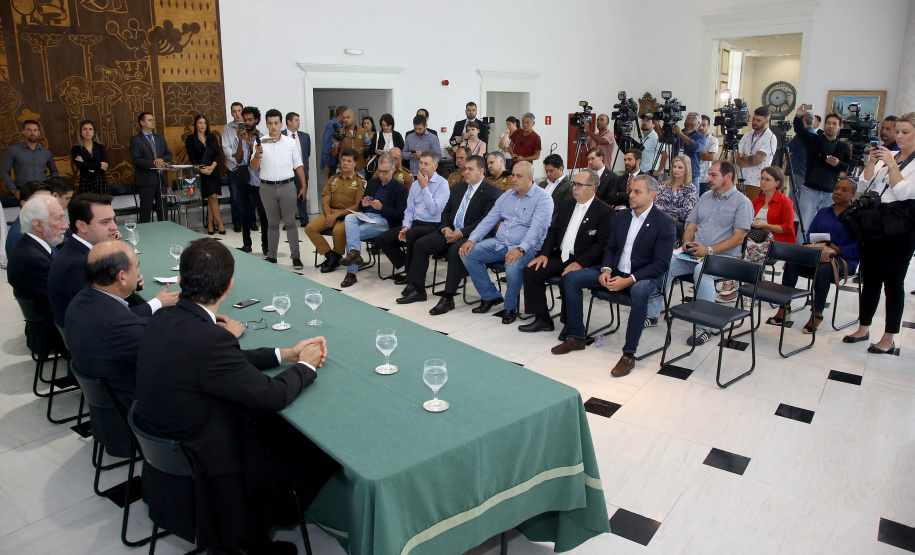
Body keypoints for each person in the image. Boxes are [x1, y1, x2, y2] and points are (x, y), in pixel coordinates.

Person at [133, 238, 337, 553]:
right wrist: (307, 367)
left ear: (181, 280)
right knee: (317, 450)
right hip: (210, 459)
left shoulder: (163, 319)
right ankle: (258, 530)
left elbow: (224, 363)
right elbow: (272, 395)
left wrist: (286, 353)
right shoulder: (209, 339)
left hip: (170, 444)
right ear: (229, 286)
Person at [557, 175, 677, 377]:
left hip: (642, 277)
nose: (631, 195)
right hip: (615, 272)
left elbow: (661, 264)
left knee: (639, 291)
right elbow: (611, 248)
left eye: (638, 192)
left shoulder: (665, 223)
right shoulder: (621, 216)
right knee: (571, 278)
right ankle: (576, 336)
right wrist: (606, 269)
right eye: (631, 190)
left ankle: (628, 354)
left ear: (652, 195)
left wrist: (630, 279)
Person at [645, 160, 753, 346]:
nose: (708, 178)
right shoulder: (705, 197)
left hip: (723, 259)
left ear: (728, 177)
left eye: (713, 175)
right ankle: (652, 314)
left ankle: (705, 327)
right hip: (696, 253)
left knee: (702, 271)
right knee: (665, 261)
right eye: (709, 175)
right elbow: (691, 225)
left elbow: (738, 239)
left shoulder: (742, 203)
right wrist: (687, 243)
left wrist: (709, 250)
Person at [64, 240, 169, 410]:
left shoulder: (79, 303)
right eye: (136, 267)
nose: (138, 272)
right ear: (121, 277)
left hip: (106, 413)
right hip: (134, 410)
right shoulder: (118, 325)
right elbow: (167, 349)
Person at [843, 112, 915, 354]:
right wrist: (873, 162)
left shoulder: (899, 160)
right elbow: (865, 185)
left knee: (893, 283)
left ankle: (889, 336)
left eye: (905, 132)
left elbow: (904, 192)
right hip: (875, 223)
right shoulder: (890, 155)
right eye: (898, 131)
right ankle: (863, 328)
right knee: (870, 279)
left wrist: (892, 164)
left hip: (901, 227)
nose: (899, 136)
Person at [48, 193, 177, 327]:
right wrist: (157, 303)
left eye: (113, 220)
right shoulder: (77, 264)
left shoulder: (79, 250)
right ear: (82, 226)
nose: (114, 227)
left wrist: (126, 287)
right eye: (105, 222)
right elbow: (108, 319)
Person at [398, 155, 501, 307]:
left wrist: (462, 233)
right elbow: (445, 212)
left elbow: (485, 221)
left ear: (481, 171)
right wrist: (446, 228)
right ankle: (418, 289)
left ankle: (448, 297)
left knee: (455, 251)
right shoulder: (459, 187)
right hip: (451, 231)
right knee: (421, 244)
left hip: (474, 235)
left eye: (470, 169)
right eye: (465, 169)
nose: (465, 172)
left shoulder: (492, 192)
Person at [518, 169, 614, 333]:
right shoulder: (567, 204)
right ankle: (542, 318)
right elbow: (553, 231)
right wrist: (544, 254)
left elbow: (601, 244)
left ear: (592, 188)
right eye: (573, 184)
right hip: (562, 256)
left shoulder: (605, 212)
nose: (574, 188)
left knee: (568, 279)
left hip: (585, 259)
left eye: (579, 185)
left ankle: (569, 324)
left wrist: (580, 263)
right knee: (531, 270)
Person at [459, 161, 553, 323]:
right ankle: (490, 296)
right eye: (513, 175)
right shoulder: (507, 196)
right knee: (468, 254)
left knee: (513, 265)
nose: (513, 179)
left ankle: (510, 307)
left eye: (519, 176)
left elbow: (537, 230)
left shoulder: (543, 199)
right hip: (501, 243)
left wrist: (521, 249)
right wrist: (472, 239)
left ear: (531, 178)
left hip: (529, 248)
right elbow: (489, 220)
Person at [768, 178, 858, 334]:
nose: (838, 192)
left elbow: (861, 244)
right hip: (820, 254)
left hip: (844, 260)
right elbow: (810, 234)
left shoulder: (857, 215)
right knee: (792, 262)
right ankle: (785, 306)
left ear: (853, 194)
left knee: (823, 269)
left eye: (844, 190)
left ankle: (817, 313)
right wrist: (820, 244)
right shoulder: (824, 212)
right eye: (836, 188)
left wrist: (840, 250)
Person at [373, 150, 450, 283]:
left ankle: (411, 274)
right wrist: (405, 226)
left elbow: (434, 211)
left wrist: (425, 187)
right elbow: (409, 210)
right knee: (383, 238)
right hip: (414, 223)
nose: (422, 166)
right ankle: (410, 266)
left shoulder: (442, 184)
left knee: (412, 234)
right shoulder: (415, 184)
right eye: (421, 163)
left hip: (433, 225)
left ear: (435, 166)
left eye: (427, 164)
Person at [337, 155, 408, 287]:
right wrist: (363, 204)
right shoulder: (373, 182)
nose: (381, 174)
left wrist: (382, 208)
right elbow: (361, 204)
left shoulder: (400, 189)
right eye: (379, 170)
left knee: (352, 234)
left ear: (393, 170)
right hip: (368, 216)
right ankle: (354, 254)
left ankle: (351, 273)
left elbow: (400, 214)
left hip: (384, 221)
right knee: (349, 217)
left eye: (385, 171)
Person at [7, 196, 70, 346]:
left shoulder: (32, 247)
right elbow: (58, 304)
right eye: (59, 218)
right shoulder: (32, 259)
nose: (65, 225)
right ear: (38, 224)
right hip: (53, 333)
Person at [256, 109, 307, 269]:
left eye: (276, 123)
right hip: (267, 187)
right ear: (266, 124)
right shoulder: (260, 141)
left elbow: (298, 164)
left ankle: (296, 257)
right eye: (270, 123)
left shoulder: (290, 142)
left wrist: (304, 185)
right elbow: (254, 166)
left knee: (290, 222)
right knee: (272, 223)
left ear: (281, 124)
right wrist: (257, 154)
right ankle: (272, 256)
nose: (273, 126)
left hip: (287, 186)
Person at [792, 107, 851, 243]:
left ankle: (822, 253)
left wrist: (838, 164)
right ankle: (800, 253)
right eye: (828, 123)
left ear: (840, 126)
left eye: (834, 124)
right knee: (804, 224)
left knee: (826, 225)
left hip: (830, 191)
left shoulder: (844, 147)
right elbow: (800, 131)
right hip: (810, 188)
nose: (831, 126)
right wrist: (798, 117)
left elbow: (850, 168)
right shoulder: (814, 139)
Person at [305, 148, 365, 273]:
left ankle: (336, 255)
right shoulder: (333, 179)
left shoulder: (360, 181)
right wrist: (328, 215)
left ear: (355, 163)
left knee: (337, 231)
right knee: (310, 228)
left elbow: (358, 206)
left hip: (348, 215)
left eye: (349, 161)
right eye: (343, 160)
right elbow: (325, 200)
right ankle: (331, 256)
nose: (345, 163)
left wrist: (337, 216)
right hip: (331, 212)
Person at [129, 112, 173, 223]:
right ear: (142, 122)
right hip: (146, 180)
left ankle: (164, 232)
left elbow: (168, 154)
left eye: (153, 119)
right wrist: (154, 163)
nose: (153, 121)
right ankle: (145, 235)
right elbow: (137, 160)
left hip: (161, 179)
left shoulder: (160, 138)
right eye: (149, 120)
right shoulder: (136, 140)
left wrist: (162, 160)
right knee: (146, 210)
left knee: (162, 210)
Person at [236, 106, 268, 256]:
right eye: (245, 119)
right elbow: (238, 159)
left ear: (256, 120)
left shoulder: (262, 138)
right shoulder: (241, 136)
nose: (247, 122)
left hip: (258, 181)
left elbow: (260, 158)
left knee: (263, 214)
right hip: (243, 179)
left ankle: (266, 246)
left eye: (250, 119)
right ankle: (246, 244)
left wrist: (250, 143)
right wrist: (240, 140)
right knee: (244, 213)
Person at [185, 114, 225, 235]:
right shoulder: (191, 139)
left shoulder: (212, 137)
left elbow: (217, 154)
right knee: (211, 196)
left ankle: (210, 224)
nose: (202, 125)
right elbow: (193, 157)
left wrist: (212, 167)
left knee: (211, 198)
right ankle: (220, 223)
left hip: (213, 171)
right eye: (200, 123)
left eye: (204, 123)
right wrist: (202, 170)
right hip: (201, 172)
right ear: (196, 124)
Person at [1, 120, 58, 197]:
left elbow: (54, 170)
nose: (32, 133)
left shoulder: (46, 152)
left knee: (43, 209)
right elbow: (4, 171)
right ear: (23, 132)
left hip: (43, 191)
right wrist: (14, 190)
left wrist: (53, 187)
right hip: (23, 191)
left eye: (35, 130)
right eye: (29, 130)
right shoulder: (13, 150)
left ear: (39, 133)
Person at [222, 102, 252, 232]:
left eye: (239, 111)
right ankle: (237, 222)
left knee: (250, 196)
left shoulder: (248, 126)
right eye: (234, 111)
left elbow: (252, 145)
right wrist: (237, 159)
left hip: (248, 167)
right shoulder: (227, 128)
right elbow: (226, 148)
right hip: (233, 167)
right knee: (235, 196)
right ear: (231, 113)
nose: (237, 113)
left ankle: (251, 221)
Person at [736, 107, 777, 199]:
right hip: (741, 180)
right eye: (754, 119)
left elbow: (755, 160)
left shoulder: (770, 138)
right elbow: (734, 159)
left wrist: (742, 156)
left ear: (766, 121)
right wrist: (749, 159)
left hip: (757, 183)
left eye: (759, 120)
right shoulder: (747, 136)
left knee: (752, 211)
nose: (754, 122)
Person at [657, 112, 706, 185]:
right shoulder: (677, 132)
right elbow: (663, 139)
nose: (689, 117)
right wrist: (657, 124)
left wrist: (681, 134)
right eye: (688, 116)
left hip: (691, 174)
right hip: (676, 173)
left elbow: (695, 147)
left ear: (698, 122)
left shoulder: (700, 136)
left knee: (691, 196)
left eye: (693, 116)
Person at [5, 180, 51, 258]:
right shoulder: (20, 235)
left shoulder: (38, 226)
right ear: (24, 204)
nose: (49, 206)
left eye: (50, 201)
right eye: (41, 201)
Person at [655, 154, 697, 239]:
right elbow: (656, 205)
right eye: (674, 167)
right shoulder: (664, 185)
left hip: (677, 224)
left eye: (680, 167)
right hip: (660, 219)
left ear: (686, 169)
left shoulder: (690, 188)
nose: (676, 170)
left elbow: (687, 211)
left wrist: (665, 209)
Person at [751, 166, 796, 244]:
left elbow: (787, 228)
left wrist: (766, 226)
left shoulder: (785, 201)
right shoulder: (756, 201)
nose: (762, 182)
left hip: (776, 242)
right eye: (761, 178)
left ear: (777, 183)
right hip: (756, 238)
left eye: (767, 179)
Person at [282, 111, 311, 227]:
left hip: (301, 170)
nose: (299, 123)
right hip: (287, 171)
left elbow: (306, 153)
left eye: (299, 120)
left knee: (302, 193)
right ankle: (288, 221)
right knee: (287, 197)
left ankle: (304, 218)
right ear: (289, 122)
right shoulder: (281, 135)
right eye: (296, 120)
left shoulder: (305, 136)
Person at [71, 119, 110, 195]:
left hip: (100, 180)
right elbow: (80, 165)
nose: (88, 131)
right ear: (81, 132)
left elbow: (105, 166)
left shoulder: (100, 147)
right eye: (84, 129)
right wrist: (99, 165)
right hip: (85, 180)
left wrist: (85, 163)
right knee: (87, 206)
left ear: (94, 132)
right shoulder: (76, 148)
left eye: (90, 129)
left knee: (103, 205)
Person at [330, 109, 367, 175]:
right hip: (343, 169)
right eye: (344, 118)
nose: (345, 120)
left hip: (359, 169)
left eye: (348, 117)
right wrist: (335, 145)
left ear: (354, 118)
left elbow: (369, 146)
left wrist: (363, 149)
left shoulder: (363, 131)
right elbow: (333, 153)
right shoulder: (340, 133)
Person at [321, 105, 347, 176]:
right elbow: (327, 145)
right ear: (340, 116)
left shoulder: (341, 126)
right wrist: (326, 164)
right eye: (345, 117)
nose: (346, 119)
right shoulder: (332, 125)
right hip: (332, 162)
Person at [697, 115, 719, 197]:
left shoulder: (713, 140)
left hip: (705, 177)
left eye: (704, 125)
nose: (701, 127)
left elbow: (711, 157)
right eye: (699, 125)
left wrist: (695, 154)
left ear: (708, 126)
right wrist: (705, 152)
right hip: (692, 176)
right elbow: (686, 155)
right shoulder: (692, 138)